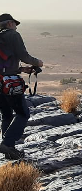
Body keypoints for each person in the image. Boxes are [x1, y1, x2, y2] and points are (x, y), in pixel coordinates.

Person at [0, 13, 43, 160]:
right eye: (15, 24)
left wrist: (22, 70)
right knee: (23, 113)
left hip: (1, 81)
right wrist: (38, 62)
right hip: (9, 83)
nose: (16, 27)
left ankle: (8, 149)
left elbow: (4, 63)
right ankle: (7, 143)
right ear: (10, 23)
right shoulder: (13, 35)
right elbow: (24, 56)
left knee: (6, 114)